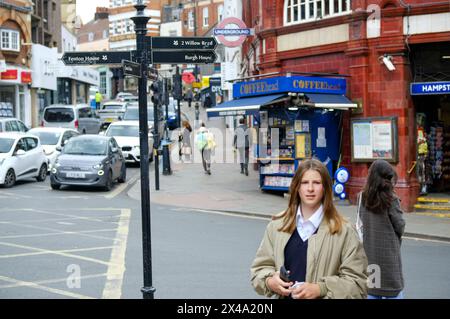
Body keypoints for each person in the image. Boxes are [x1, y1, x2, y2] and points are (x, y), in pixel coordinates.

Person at [251, 158, 368, 299]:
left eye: (317, 183)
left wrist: (321, 289)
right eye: (305, 182)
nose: (310, 189)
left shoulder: (344, 231)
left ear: (325, 187)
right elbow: (259, 270)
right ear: (297, 187)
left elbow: (358, 284)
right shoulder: (277, 226)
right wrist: (270, 281)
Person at [359, 159, 406, 299]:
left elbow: (361, 220)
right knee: (394, 290)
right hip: (389, 255)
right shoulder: (391, 199)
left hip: (370, 253)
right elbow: (400, 225)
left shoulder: (363, 197)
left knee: (372, 290)